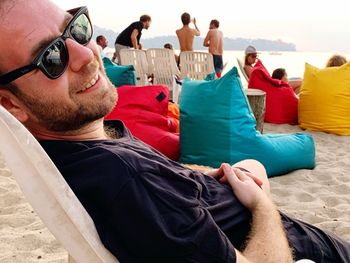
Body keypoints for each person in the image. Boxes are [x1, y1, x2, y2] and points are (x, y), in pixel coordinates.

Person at [0, 1, 349, 262]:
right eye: (51, 58)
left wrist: (207, 176)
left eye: (75, 28)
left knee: (251, 166)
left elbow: (164, 184)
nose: (87, 55)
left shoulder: (92, 146)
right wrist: (262, 204)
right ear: (11, 104)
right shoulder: (127, 182)